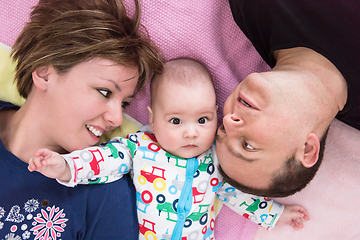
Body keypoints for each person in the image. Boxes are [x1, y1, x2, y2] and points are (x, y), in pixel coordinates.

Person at [28, 58, 309, 240]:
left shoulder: (217, 161)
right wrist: (65, 166)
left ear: (215, 114)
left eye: (203, 120)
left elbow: (239, 196)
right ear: (152, 119)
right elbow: (102, 160)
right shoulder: (139, 147)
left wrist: (275, 214)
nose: (191, 132)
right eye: (176, 120)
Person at [0, 0, 163, 239]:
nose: (117, 118)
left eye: (124, 104)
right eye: (105, 92)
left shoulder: (106, 193)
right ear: (45, 73)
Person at [215, 0, 360, 198]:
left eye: (222, 130)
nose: (228, 121)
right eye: (247, 145)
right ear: (307, 149)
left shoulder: (252, 9)